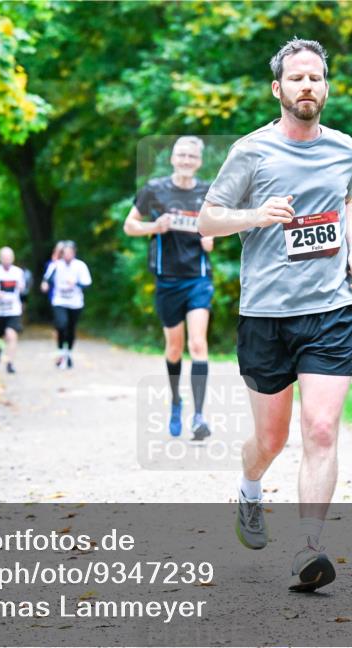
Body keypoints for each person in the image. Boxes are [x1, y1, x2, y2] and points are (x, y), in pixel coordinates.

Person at [198, 38, 352, 593]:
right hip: (266, 315)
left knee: (321, 428)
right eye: (296, 79)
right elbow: (207, 220)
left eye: (315, 79)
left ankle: (310, 549)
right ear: (278, 89)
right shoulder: (252, 151)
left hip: (329, 310)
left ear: (326, 87)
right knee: (269, 440)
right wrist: (256, 214)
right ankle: (250, 487)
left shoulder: (345, 148)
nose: (307, 87)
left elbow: (346, 198)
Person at [124, 136, 215, 441]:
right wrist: (154, 227)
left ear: (199, 161)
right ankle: (176, 401)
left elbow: (214, 235)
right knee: (174, 348)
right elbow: (129, 226)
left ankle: (199, 416)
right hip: (167, 280)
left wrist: (209, 237)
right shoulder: (154, 189)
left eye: (192, 155)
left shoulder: (208, 192)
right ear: (173, 158)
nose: (187, 160)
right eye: (181, 155)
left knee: (198, 345)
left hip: (198, 278)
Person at [41, 240, 91, 369]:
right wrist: (45, 285)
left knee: (71, 329)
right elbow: (47, 279)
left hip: (75, 303)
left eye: (70, 252)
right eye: (65, 253)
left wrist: (76, 283)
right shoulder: (56, 265)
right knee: (61, 325)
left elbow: (87, 284)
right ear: (62, 254)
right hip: (60, 301)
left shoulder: (80, 266)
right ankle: (61, 352)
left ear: (74, 253)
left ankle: (68, 354)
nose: (67, 255)